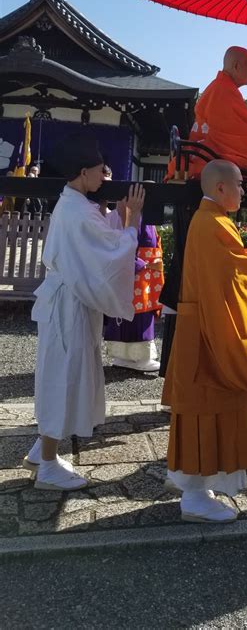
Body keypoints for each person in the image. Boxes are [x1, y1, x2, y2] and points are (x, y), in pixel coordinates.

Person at [162, 159, 247, 522]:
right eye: (238, 184)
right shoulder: (213, 224)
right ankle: (195, 495)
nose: (243, 191)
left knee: (206, 408)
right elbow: (235, 279)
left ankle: (193, 482)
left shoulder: (209, 221)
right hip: (210, 333)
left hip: (203, 327)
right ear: (220, 188)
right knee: (209, 404)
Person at [25, 135, 145, 491]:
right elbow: (111, 255)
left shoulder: (75, 204)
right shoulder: (77, 210)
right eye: (98, 170)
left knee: (63, 374)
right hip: (68, 306)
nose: (103, 176)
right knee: (63, 377)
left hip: (67, 302)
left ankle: (40, 450)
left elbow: (101, 241)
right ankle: (47, 464)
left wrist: (122, 217)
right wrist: (133, 220)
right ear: (83, 172)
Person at [168, 46, 247, 178]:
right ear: (236, 66)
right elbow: (234, 135)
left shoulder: (219, 86)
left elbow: (234, 128)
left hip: (208, 148)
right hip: (215, 151)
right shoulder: (223, 90)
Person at [104, 216, 164, 373]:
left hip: (145, 272)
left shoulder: (141, 217)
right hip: (139, 272)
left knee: (139, 311)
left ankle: (125, 357)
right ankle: (139, 357)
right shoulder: (132, 216)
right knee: (138, 312)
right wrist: (141, 264)